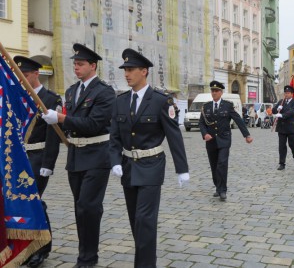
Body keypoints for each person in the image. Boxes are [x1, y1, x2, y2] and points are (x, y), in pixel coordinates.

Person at [109, 49, 189, 267]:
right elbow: (114, 136)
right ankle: (146, 259)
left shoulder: (160, 101)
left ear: (144, 71)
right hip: (127, 166)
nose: (126, 74)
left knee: (145, 220)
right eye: (125, 70)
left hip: (151, 165)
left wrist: (182, 169)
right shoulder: (121, 101)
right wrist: (115, 160)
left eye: (131, 69)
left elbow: (174, 136)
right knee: (135, 220)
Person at [41, 43, 115, 268]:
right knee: (80, 209)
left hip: (97, 155)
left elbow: (94, 124)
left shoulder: (104, 92)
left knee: (88, 207)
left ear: (93, 66)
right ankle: (85, 254)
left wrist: (62, 119)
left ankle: (88, 258)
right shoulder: (72, 91)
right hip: (75, 156)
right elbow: (69, 126)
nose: (76, 68)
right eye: (75, 64)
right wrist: (55, 123)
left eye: (81, 64)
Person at [15, 56, 62, 268]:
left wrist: (48, 164)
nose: (22, 79)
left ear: (36, 74)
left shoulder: (50, 99)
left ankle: (42, 248)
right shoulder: (17, 96)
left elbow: (54, 135)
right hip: (18, 158)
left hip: (37, 156)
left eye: (25, 75)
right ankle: (25, 246)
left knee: (33, 200)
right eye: (19, 75)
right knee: (21, 202)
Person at [198, 81, 253, 200]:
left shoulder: (228, 105)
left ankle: (223, 190)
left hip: (224, 140)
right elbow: (201, 123)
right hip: (211, 141)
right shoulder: (206, 106)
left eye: (216, 91)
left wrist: (246, 135)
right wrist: (205, 134)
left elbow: (238, 120)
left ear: (221, 92)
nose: (214, 93)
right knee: (214, 165)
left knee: (222, 164)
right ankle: (217, 187)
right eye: (212, 91)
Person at [272, 85, 294, 170]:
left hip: (291, 128)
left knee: (293, 145)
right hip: (282, 127)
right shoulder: (281, 101)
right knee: (281, 146)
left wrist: (282, 115)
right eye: (285, 93)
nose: (286, 94)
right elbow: (273, 110)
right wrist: (278, 108)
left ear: (292, 94)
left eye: (288, 93)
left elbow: (292, 111)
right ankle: (282, 163)